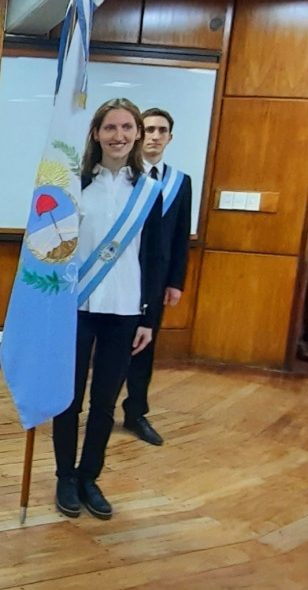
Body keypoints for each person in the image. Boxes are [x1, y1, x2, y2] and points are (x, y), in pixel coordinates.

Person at [54, 98, 165, 521]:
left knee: (104, 402)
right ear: (96, 133)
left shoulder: (149, 191)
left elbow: (153, 258)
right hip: (76, 308)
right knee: (69, 399)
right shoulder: (75, 183)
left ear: (137, 134)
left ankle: (89, 476)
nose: (118, 136)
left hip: (124, 312)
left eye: (127, 128)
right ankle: (65, 475)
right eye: (110, 128)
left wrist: (148, 320)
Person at [121, 107, 192, 447]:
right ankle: (98, 408)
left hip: (156, 279)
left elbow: (181, 235)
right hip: (120, 274)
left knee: (144, 347)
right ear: (137, 134)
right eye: (148, 129)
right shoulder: (123, 176)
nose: (154, 135)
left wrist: (176, 281)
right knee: (112, 344)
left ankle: (136, 413)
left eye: (161, 130)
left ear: (170, 137)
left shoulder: (180, 182)